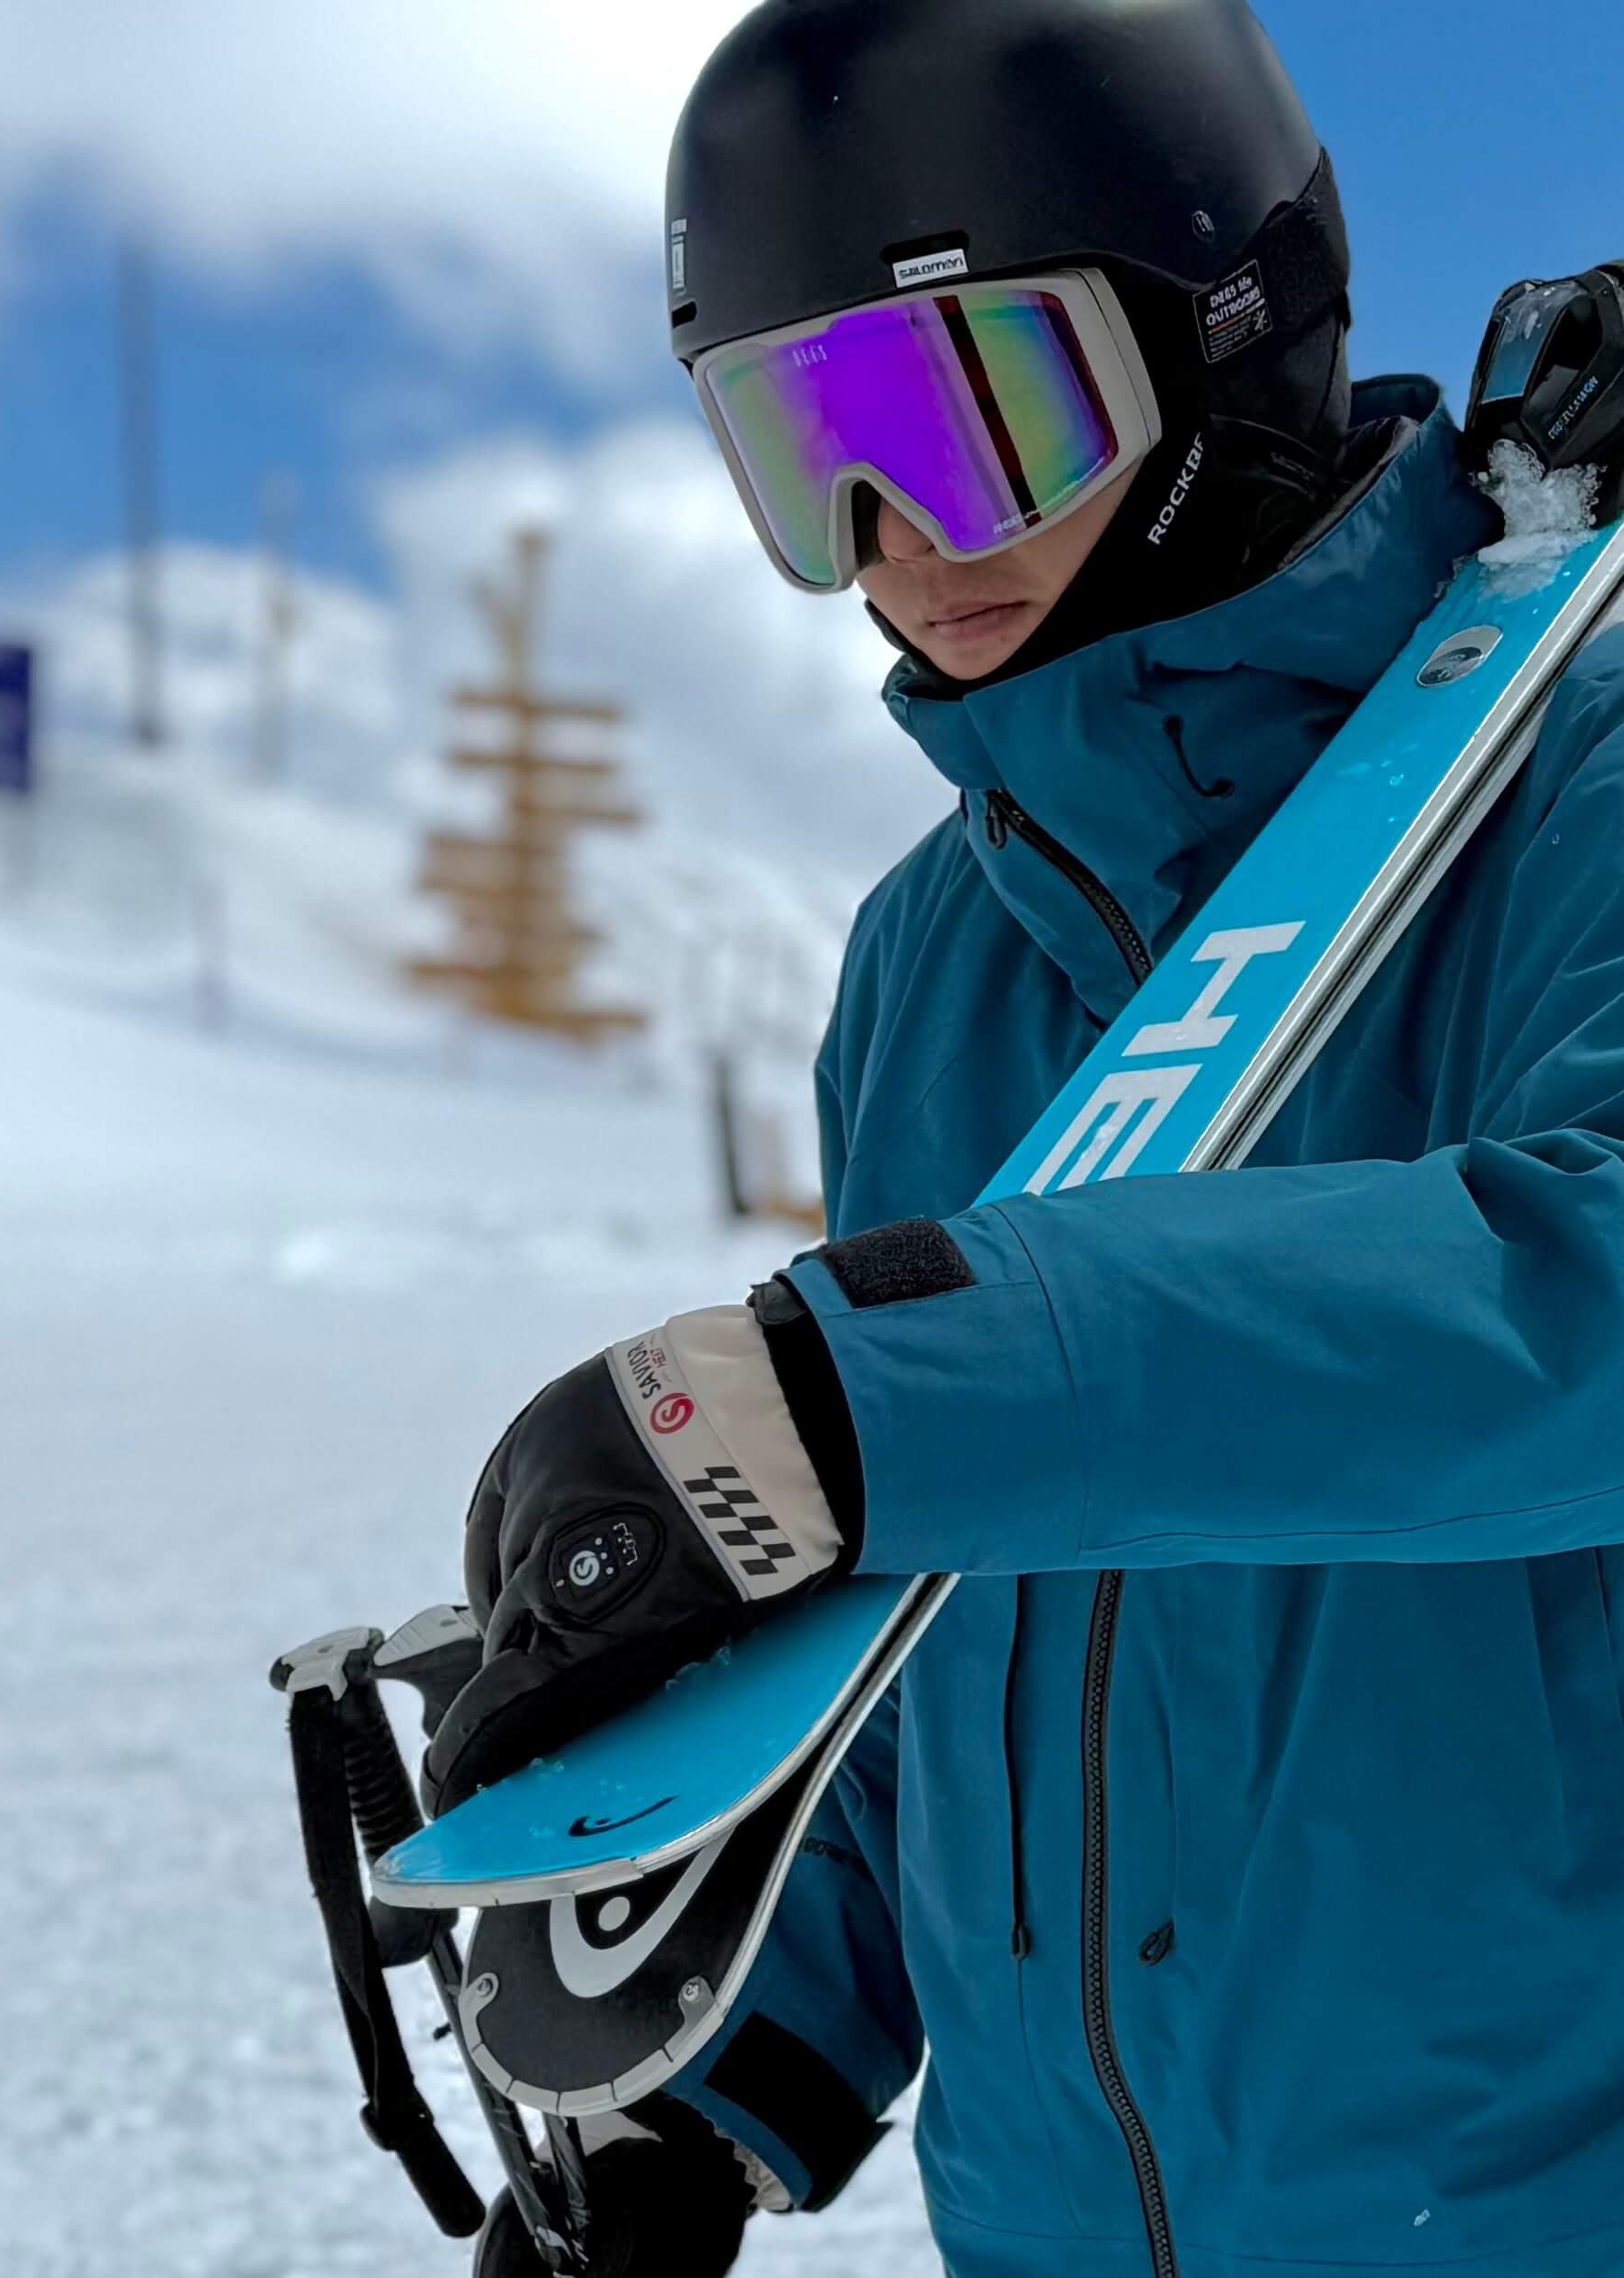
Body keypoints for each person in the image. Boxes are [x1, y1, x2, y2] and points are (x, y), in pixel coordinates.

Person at [457, 4, 1624, 2273]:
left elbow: (1582, 1302)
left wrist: (856, 1399)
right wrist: (712, 2085)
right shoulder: (932, 957)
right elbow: (927, 1629)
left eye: (961, 415)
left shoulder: (1575, 770)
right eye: (802, 462)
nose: (894, 542)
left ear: (1220, 331)